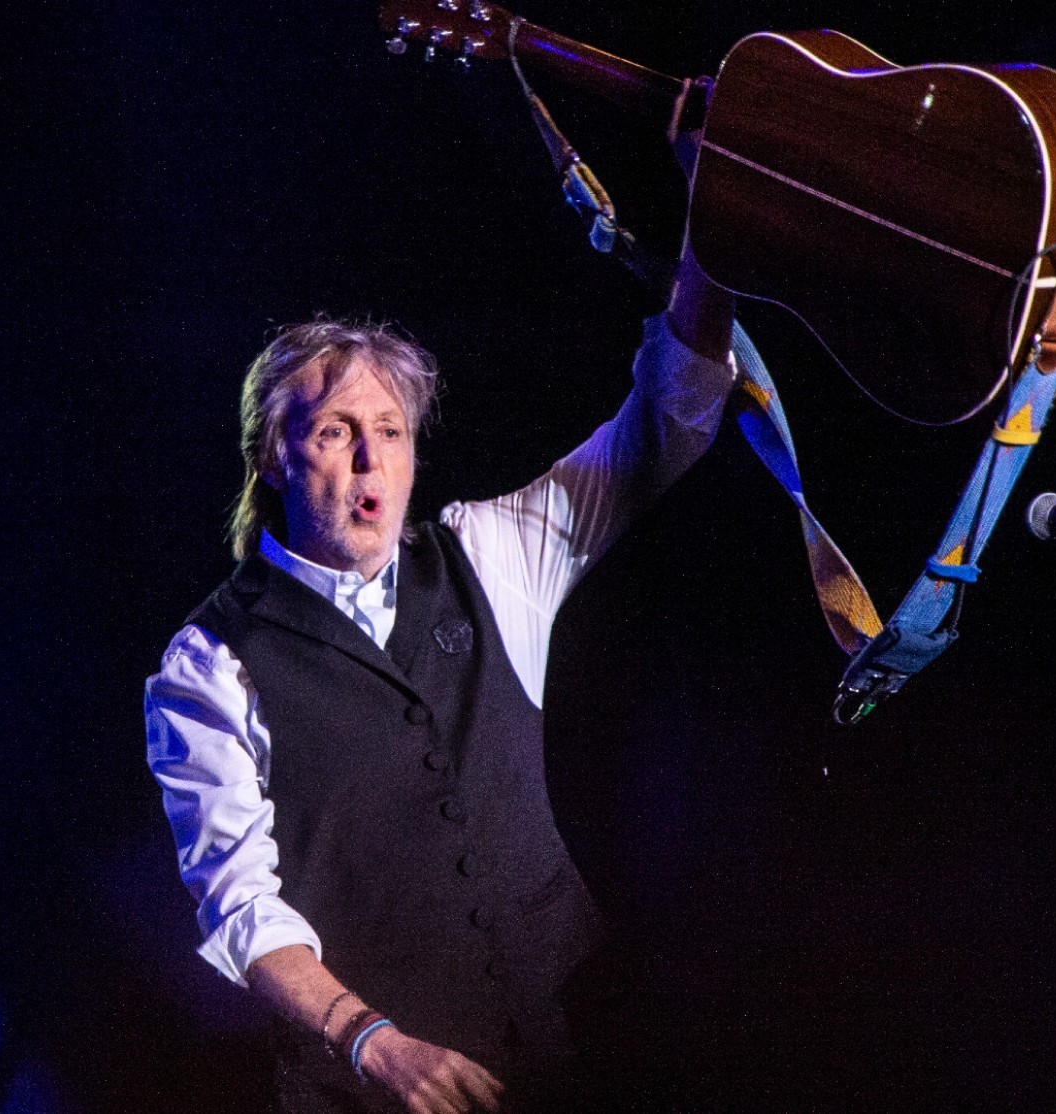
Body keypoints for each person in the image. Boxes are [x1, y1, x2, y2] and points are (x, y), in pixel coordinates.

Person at [144, 250, 735, 1113]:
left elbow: (665, 423)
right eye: (335, 431)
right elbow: (241, 910)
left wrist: (714, 234)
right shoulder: (209, 666)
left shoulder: (490, 556)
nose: (369, 461)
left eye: (390, 430)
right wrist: (371, 1042)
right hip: (377, 1094)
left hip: (578, 1052)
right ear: (273, 458)